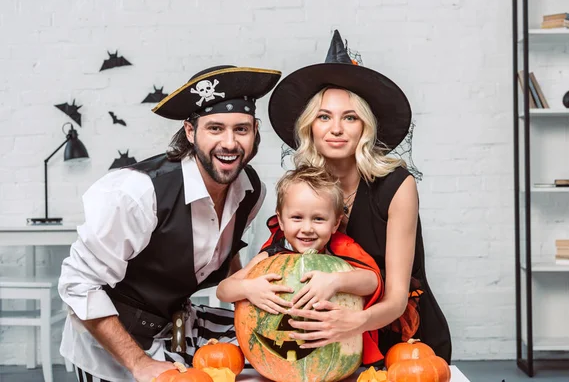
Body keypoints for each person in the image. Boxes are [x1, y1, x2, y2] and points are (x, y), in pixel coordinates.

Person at [58, 65, 281, 382]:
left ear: (255, 130)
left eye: (241, 129)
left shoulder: (250, 191)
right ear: (191, 132)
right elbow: (78, 286)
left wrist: (249, 290)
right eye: (215, 128)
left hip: (175, 328)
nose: (230, 143)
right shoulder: (138, 193)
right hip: (113, 345)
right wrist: (140, 364)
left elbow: (224, 252)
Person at [267, 30, 452, 364]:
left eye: (349, 117)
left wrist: (351, 324)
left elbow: (396, 299)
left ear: (365, 127)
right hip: (329, 344)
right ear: (310, 126)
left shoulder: (397, 186)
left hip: (402, 341)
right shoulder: (302, 189)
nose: (336, 128)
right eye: (324, 116)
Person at [216, 165, 385, 364]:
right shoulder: (270, 256)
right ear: (280, 220)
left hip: (336, 352)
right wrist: (248, 288)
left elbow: (372, 281)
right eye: (297, 217)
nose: (307, 229)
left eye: (319, 219)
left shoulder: (341, 249)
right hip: (277, 358)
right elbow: (223, 290)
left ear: (335, 223)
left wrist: (336, 282)